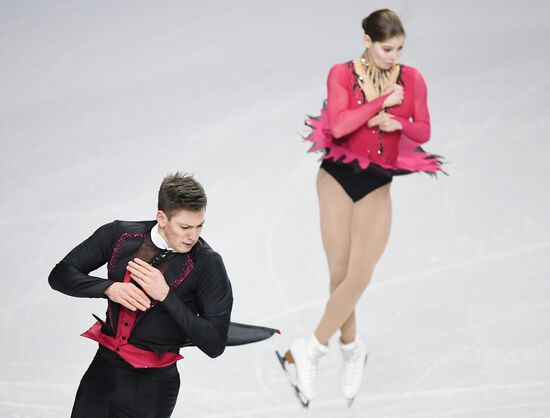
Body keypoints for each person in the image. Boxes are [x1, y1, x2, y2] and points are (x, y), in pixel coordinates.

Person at [279, 9, 444, 406]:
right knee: (339, 273)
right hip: (337, 177)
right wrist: (384, 102)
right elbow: (339, 126)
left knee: (360, 275)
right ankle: (352, 349)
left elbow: (424, 129)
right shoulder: (341, 73)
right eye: (388, 48)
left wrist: (399, 125)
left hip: (377, 183)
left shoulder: (413, 78)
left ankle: (311, 349)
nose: (395, 55)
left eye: (401, 48)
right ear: (367, 40)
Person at [49, 173, 275, 418]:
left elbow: (214, 343)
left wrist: (166, 296)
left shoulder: (207, 263)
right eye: (185, 227)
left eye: (200, 226)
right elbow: (61, 275)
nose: (193, 236)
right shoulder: (120, 235)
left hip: (152, 390)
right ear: (162, 218)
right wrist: (109, 288)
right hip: (102, 374)